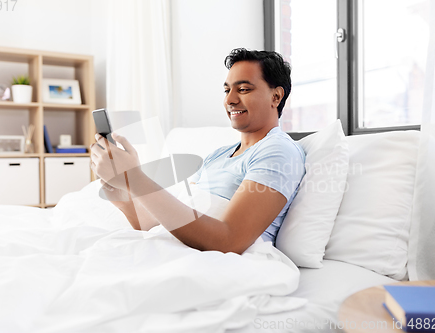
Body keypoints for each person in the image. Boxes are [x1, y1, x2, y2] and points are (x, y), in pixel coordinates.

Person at [90, 48, 305, 254]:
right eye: (227, 90)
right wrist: (125, 196)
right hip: (183, 249)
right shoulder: (217, 155)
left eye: (243, 89)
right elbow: (170, 224)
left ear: (276, 97)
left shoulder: (277, 151)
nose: (229, 100)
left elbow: (228, 241)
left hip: (220, 260)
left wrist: (135, 177)